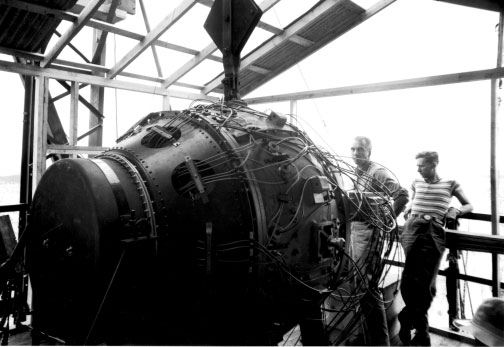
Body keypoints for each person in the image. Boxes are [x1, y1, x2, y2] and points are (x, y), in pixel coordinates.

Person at [399, 151, 473, 346]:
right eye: (417, 165)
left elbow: (468, 205)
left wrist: (454, 210)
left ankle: (409, 322)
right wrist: (409, 207)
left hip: (433, 231)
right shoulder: (416, 182)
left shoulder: (450, 183)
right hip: (411, 230)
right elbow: (414, 200)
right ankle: (420, 333)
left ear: (434, 164)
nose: (418, 169)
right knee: (408, 282)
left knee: (426, 285)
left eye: (422, 165)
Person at [349, 136, 409, 346]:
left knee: (368, 289)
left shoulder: (377, 172)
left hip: (370, 234)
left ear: (369, 152)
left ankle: (380, 342)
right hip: (357, 233)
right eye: (353, 149)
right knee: (359, 287)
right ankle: (365, 336)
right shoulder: (358, 173)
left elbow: (402, 194)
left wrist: (385, 220)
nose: (356, 154)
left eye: (360, 150)